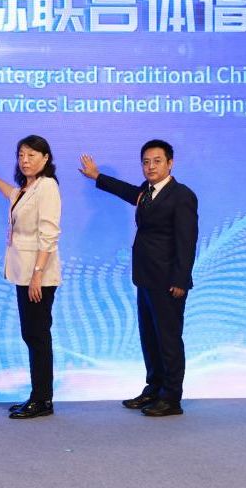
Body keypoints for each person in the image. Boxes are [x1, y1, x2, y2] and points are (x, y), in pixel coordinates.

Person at [79, 139, 198, 417]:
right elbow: (129, 192)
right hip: (145, 277)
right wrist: (97, 176)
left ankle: (171, 398)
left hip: (168, 281)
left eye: (157, 161)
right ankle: (154, 388)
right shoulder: (147, 190)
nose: (151, 166)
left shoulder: (182, 195)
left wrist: (181, 279)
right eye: (146, 162)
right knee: (150, 337)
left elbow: (187, 241)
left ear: (170, 163)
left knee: (168, 340)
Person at [0, 135, 62, 419]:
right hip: (24, 273)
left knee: (37, 335)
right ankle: (38, 395)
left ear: (46, 158)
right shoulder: (28, 188)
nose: (25, 160)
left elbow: (49, 234)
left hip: (37, 275)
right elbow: (12, 196)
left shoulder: (47, 187)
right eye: (21, 155)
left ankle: (42, 400)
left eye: (32, 155)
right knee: (32, 334)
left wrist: (37, 274)